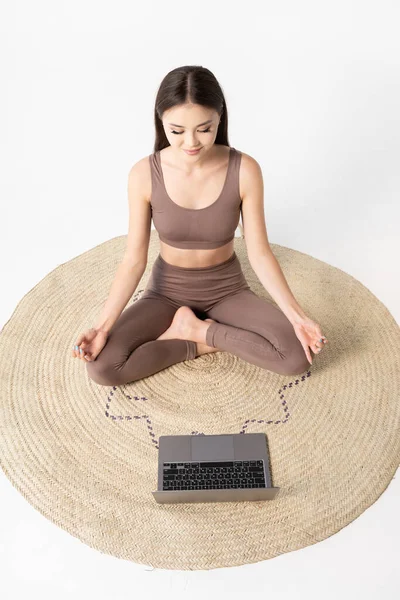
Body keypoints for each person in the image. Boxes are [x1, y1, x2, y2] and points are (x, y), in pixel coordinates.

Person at [72, 65, 328, 386]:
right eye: (176, 131)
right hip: (165, 292)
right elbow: (134, 259)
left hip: (227, 290)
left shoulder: (244, 169)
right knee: (102, 368)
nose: (191, 142)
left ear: (219, 118)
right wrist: (103, 328)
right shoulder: (143, 174)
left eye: (204, 129)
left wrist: (298, 317)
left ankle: (198, 331)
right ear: (160, 121)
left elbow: (259, 253)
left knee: (296, 356)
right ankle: (194, 343)